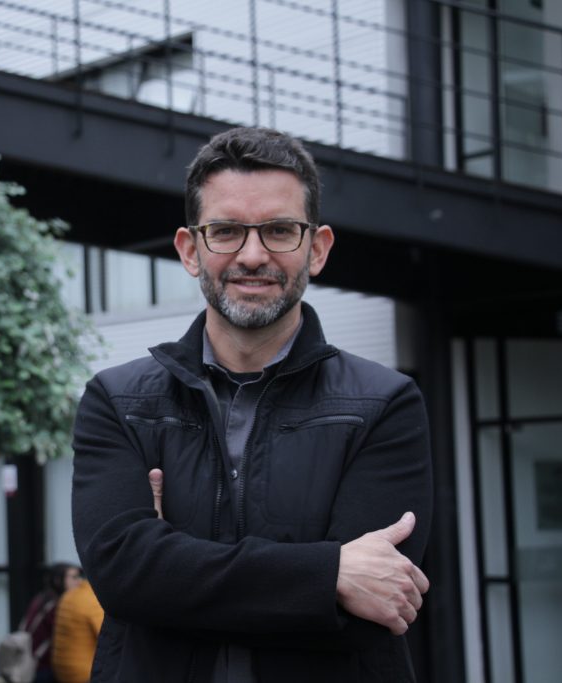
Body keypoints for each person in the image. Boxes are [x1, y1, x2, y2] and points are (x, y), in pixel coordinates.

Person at [71, 126, 433, 682]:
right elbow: (123, 576)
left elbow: (370, 610)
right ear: (190, 250)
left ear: (317, 248)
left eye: (280, 230)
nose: (253, 255)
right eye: (226, 231)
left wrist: (171, 566)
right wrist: (328, 575)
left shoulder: (384, 404)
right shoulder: (118, 401)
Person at [20, 563, 83, 683]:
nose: (79, 581)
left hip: (35, 662)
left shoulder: (43, 598)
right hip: (44, 665)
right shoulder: (56, 605)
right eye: (74, 577)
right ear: (58, 580)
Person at [51, 579, 104, 683]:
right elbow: (108, 636)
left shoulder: (68, 595)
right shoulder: (91, 600)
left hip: (61, 672)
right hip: (83, 674)